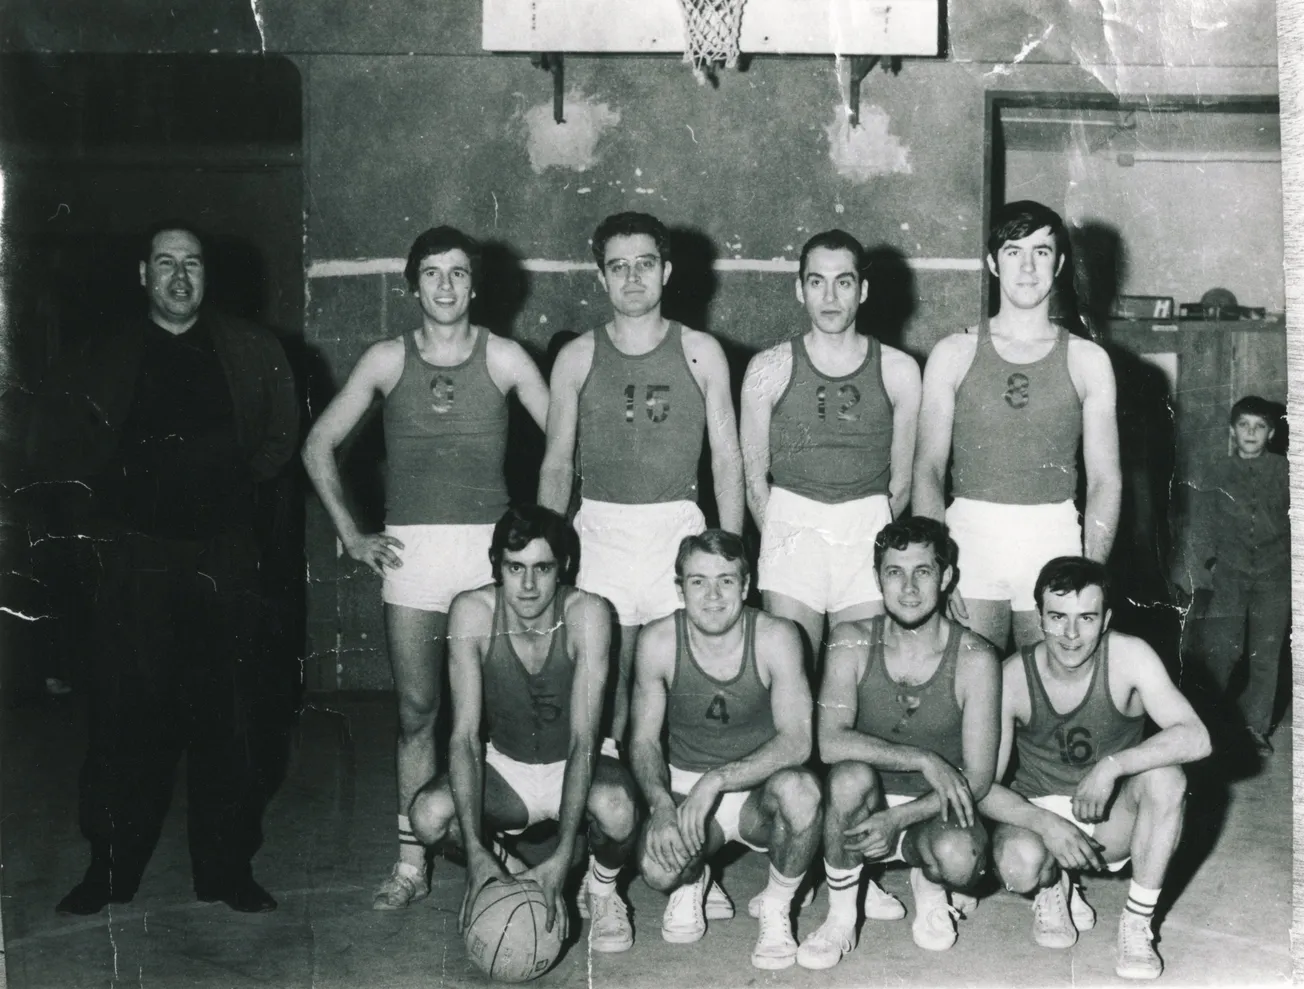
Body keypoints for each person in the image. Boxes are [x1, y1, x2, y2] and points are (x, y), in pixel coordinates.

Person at [29, 220, 299, 914]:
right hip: (134, 561)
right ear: (143, 274)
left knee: (230, 716)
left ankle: (226, 869)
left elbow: (279, 436)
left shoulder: (252, 349)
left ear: (208, 275)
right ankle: (108, 869)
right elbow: (60, 449)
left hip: (223, 557)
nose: (181, 276)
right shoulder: (101, 355)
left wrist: (230, 494)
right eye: (166, 262)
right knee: (124, 718)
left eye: (193, 263)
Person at [301, 227, 550, 909]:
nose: (445, 285)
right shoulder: (387, 359)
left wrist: (543, 536)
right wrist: (352, 534)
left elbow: (568, 440)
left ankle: (486, 844)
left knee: (492, 711)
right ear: (413, 285)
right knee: (417, 712)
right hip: (412, 555)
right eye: (432, 273)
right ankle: (411, 860)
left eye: (458, 272)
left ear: (475, 284)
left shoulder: (505, 357)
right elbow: (318, 444)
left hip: (487, 556)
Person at [538, 211, 744, 751]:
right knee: (607, 681)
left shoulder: (701, 350)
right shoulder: (577, 357)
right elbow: (557, 463)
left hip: (676, 528)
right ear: (601, 277)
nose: (632, 278)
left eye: (645, 264)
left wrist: (732, 547)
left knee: (678, 674)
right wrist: (547, 548)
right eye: (618, 266)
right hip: (599, 531)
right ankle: (606, 792)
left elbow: (727, 458)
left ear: (666, 271)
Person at [406, 506, 641, 952]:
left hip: (574, 761)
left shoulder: (587, 613)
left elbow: (584, 741)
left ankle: (601, 888)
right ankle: (502, 869)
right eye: (516, 568)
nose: (529, 585)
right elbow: (464, 738)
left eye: (542, 568)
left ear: (563, 567)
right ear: (497, 566)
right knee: (427, 816)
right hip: (507, 768)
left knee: (618, 809)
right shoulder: (472, 612)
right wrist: (476, 851)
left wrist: (563, 855)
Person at [980, 557, 1211, 980]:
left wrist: (1112, 766)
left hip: (1110, 817)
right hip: (1039, 813)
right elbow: (982, 788)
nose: (1071, 634)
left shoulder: (1129, 656)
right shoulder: (1012, 676)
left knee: (1167, 778)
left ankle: (1137, 924)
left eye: (1086, 618)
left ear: (1105, 620)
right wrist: (1045, 823)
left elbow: (1197, 737)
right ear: (1039, 618)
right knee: (1018, 865)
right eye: (1058, 617)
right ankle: (1052, 884)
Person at [913, 200, 1121, 651]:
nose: (1028, 267)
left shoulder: (1089, 360)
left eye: (1041, 252)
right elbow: (927, 467)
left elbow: (1106, 480)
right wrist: (935, 563)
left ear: (1059, 264)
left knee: (1048, 684)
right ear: (993, 262)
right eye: (1013, 251)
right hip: (968, 540)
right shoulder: (952, 354)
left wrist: (1092, 572)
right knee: (970, 680)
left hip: (1053, 537)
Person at [797, 517, 999, 969]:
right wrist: (923, 758)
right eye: (895, 572)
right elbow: (829, 743)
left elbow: (980, 777)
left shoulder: (976, 657)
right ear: (878, 578)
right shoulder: (850, 640)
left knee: (961, 860)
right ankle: (841, 915)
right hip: (862, 805)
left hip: (931, 810)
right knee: (847, 777)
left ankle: (928, 883)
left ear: (946, 577)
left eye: (922, 571)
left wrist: (899, 818)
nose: (908, 588)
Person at [629, 530, 821, 971]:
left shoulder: (777, 636)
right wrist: (661, 805)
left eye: (726, 581)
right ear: (680, 588)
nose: (712, 595)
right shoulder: (658, 641)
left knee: (802, 793)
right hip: (685, 785)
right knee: (658, 870)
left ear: (746, 585)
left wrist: (717, 780)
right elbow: (642, 740)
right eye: (698, 581)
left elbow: (798, 741)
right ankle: (694, 877)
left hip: (758, 790)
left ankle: (777, 904)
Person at [740, 229, 921, 672]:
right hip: (792, 525)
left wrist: (872, 537)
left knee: (857, 676)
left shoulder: (900, 370)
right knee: (793, 674)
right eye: (816, 281)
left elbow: (902, 482)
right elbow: (754, 480)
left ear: (863, 290)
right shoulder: (769, 368)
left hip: (867, 526)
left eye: (843, 282)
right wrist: (782, 535)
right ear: (799, 289)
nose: (830, 296)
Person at [1174, 395, 1290, 753]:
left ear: (1271, 433)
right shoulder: (1217, 471)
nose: (1251, 433)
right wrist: (1209, 565)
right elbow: (1203, 523)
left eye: (1259, 426)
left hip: (1275, 575)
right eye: (1243, 425)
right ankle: (1207, 726)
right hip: (1230, 575)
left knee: (1266, 654)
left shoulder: (1286, 471)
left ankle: (1255, 727)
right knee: (1223, 650)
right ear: (1232, 430)